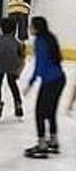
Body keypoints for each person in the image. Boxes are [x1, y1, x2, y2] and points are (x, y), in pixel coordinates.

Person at [24, 17, 66, 159]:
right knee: (51, 111)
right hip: (60, 79)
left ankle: (42, 144)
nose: (30, 29)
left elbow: (40, 66)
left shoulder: (40, 42)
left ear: (36, 28)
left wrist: (31, 83)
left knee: (39, 113)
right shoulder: (50, 38)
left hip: (50, 81)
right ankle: (53, 140)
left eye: (31, 26)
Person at [0, 18, 25, 120]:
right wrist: (19, 70)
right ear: (14, 30)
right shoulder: (17, 42)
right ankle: (18, 103)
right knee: (12, 83)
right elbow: (22, 57)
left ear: (1, 29)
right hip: (13, 65)